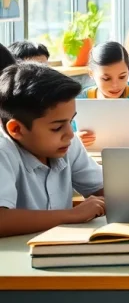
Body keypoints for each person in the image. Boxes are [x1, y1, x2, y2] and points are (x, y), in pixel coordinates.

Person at [0, 63, 105, 238]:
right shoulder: (3, 151)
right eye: (57, 127)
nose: (70, 134)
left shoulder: (67, 143)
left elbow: (102, 189)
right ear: (17, 129)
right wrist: (72, 215)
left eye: (71, 122)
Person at [75, 42, 129, 148]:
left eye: (122, 77)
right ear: (91, 73)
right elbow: (65, 136)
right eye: (106, 79)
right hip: (93, 157)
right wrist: (75, 139)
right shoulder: (81, 99)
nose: (115, 85)